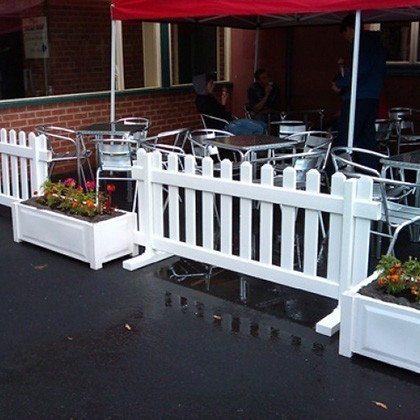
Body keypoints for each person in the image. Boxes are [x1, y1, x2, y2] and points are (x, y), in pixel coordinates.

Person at [332, 14, 387, 169]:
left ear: (349, 29)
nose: (347, 39)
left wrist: (341, 83)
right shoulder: (378, 45)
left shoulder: (360, 44)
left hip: (358, 98)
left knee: (345, 136)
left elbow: (360, 69)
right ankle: (371, 172)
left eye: (346, 35)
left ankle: (336, 172)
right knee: (366, 139)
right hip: (373, 97)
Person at [192, 73, 266, 135]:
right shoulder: (203, 102)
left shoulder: (209, 98)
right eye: (211, 84)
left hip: (228, 122)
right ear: (204, 86)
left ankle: (258, 150)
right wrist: (226, 112)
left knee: (262, 125)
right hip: (224, 127)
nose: (213, 86)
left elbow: (219, 112)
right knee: (256, 129)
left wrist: (223, 103)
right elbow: (217, 116)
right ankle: (254, 150)